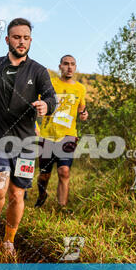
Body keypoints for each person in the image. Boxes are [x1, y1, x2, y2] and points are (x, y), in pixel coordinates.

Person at [0, 17, 56, 257]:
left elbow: (51, 97)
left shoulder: (38, 70)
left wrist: (45, 106)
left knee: (17, 193)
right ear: (7, 39)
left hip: (27, 143)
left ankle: (9, 242)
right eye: (17, 37)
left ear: (30, 41)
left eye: (26, 38)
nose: (22, 42)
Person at [35, 55, 88, 209]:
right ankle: (42, 194)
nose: (69, 67)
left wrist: (84, 114)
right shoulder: (50, 84)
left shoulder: (80, 88)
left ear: (75, 67)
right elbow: (38, 104)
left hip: (68, 136)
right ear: (60, 66)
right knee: (44, 175)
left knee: (64, 171)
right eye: (66, 64)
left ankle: (62, 207)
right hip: (47, 135)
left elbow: (81, 109)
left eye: (72, 64)